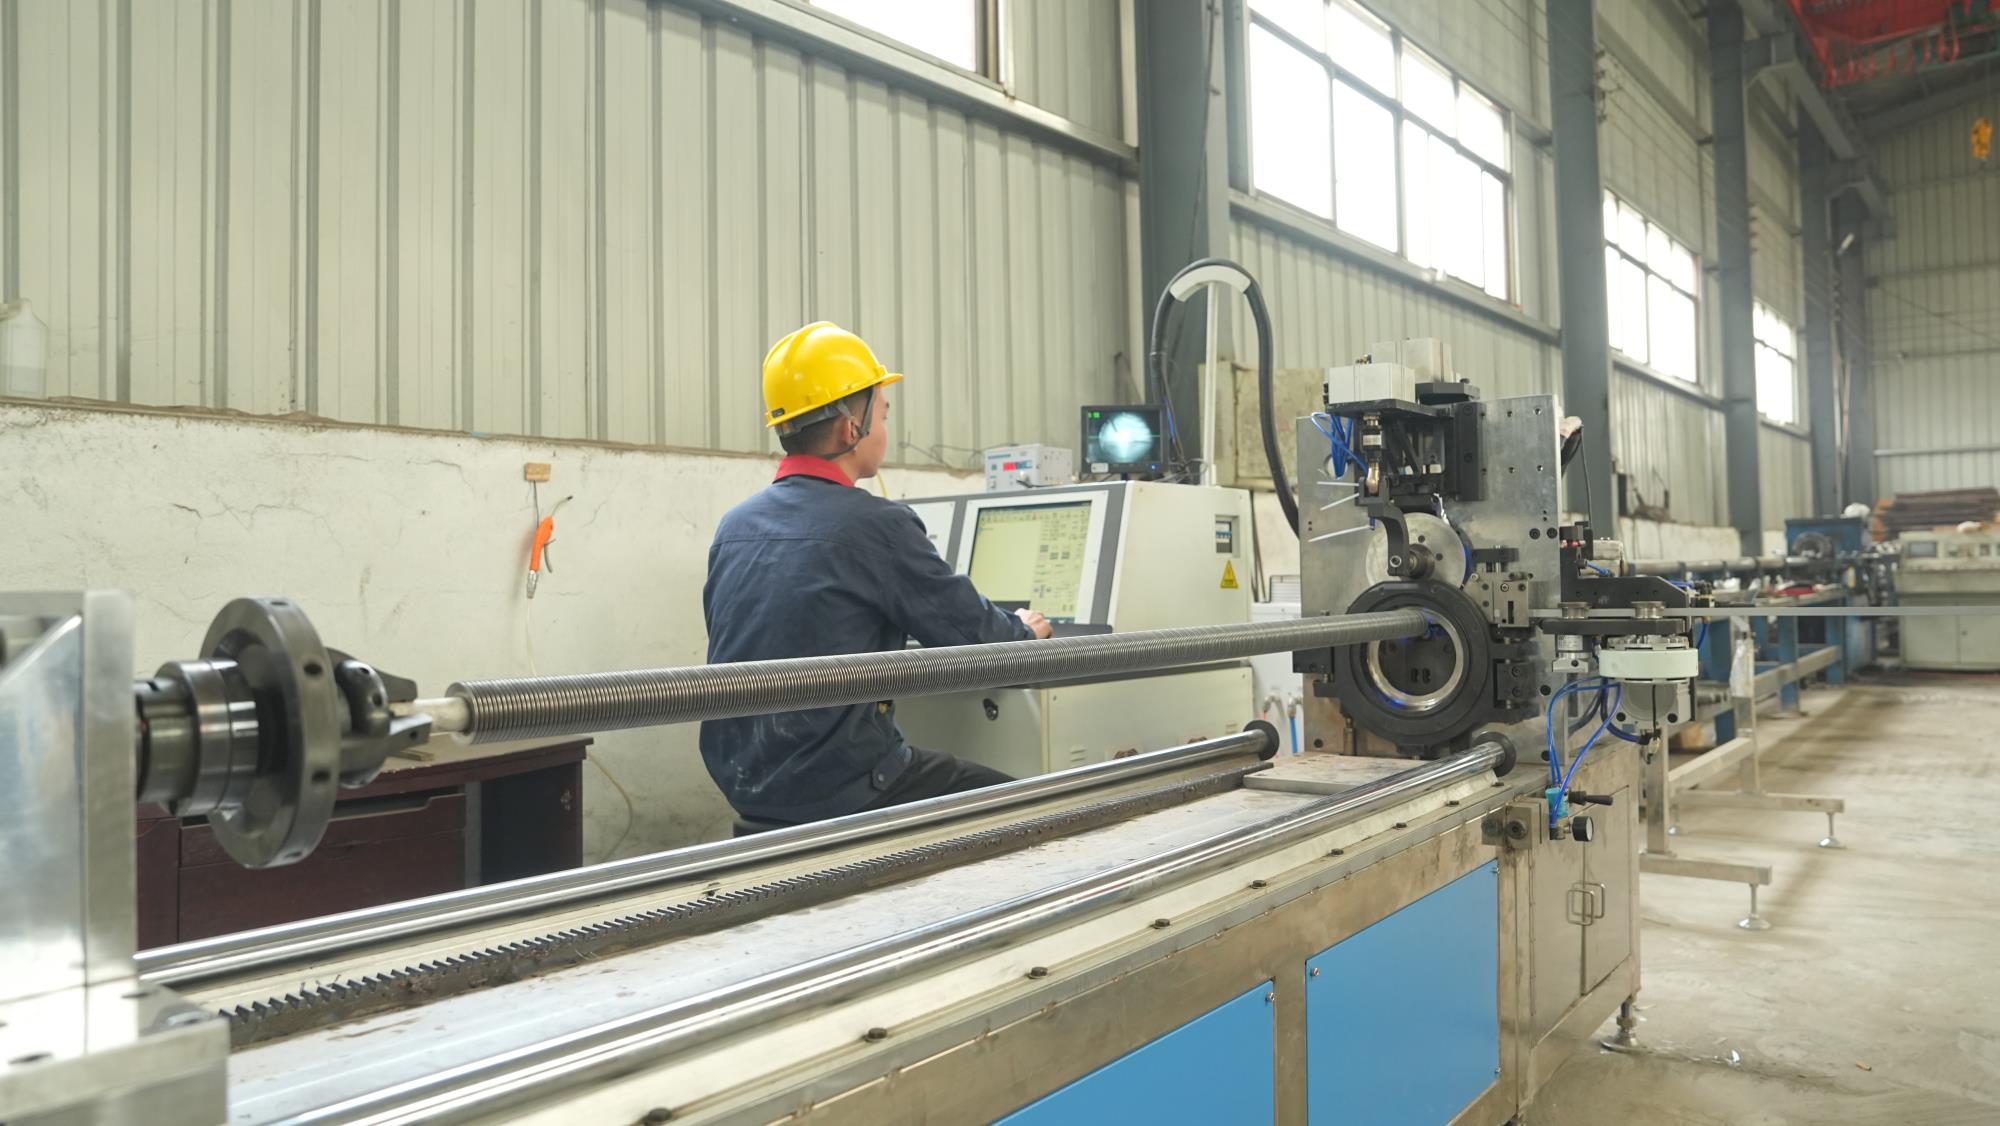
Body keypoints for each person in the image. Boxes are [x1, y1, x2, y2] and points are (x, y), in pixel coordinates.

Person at [699, 321, 1053, 828]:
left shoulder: (734, 527)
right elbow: (973, 639)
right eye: (883, 415)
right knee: (1039, 809)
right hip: (842, 785)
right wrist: (1023, 632)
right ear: (852, 428)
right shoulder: (875, 526)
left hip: (749, 784)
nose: (884, 430)